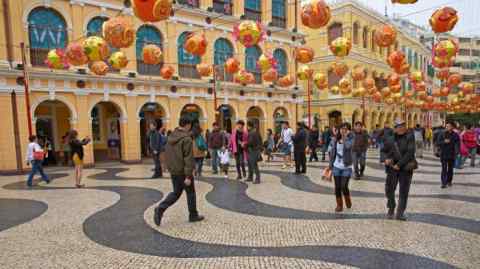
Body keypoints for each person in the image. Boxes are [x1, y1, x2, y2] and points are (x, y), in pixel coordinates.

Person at [153, 115, 204, 226]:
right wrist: (188, 176)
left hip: (174, 171)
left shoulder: (171, 136)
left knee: (176, 193)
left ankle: (160, 209)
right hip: (183, 171)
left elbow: (167, 154)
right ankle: (193, 215)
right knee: (190, 193)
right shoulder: (186, 139)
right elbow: (188, 158)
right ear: (188, 125)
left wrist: (169, 168)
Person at [382, 119, 416, 221]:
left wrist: (399, 164)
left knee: (404, 191)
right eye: (398, 126)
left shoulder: (410, 137)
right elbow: (383, 151)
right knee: (389, 190)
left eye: (403, 126)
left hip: (405, 168)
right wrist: (385, 159)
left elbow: (410, 152)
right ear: (395, 128)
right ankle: (391, 207)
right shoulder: (390, 138)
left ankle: (400, 212)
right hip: (392, 168)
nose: (401, 128)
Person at [328, 123, 354, 212]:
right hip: (336, 166)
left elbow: (347, 146)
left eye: (346, 129)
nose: (343, 130)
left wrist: (345, 137)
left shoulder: (351, 139)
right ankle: (339, 205)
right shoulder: (335, 139)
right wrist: (330, 165)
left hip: (347, 166)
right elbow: (332, 153)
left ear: (349, 130)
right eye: (342, 129)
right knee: (337, 187)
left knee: (344, 186)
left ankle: (348, 200)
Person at [437, 122, 460, 188]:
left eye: (449, 126)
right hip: (444, 154)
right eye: (446, 126)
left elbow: (458, 144)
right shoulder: (442, 134)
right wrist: (444, 141)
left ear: (452, 127)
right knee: (444, 168)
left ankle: (449, 181)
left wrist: (457, 151)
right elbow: (438, 143)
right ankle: (443, 183)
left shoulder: (455, 135)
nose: (447, 127)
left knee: (450, 169)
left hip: (452, 154)